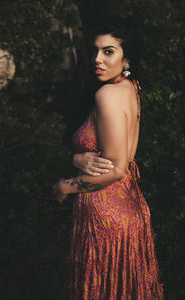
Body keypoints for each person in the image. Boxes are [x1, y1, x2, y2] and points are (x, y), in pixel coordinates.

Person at [53, 19, 164, 300]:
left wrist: (65, 186)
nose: (98, 59)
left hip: (106, 217)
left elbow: (115, 170)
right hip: (129, 209)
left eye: (108, 51)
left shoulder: (107, 94)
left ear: (126, 57)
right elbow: (120, 156)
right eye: (95, 51)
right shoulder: (130, 87)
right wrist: (78, 157)